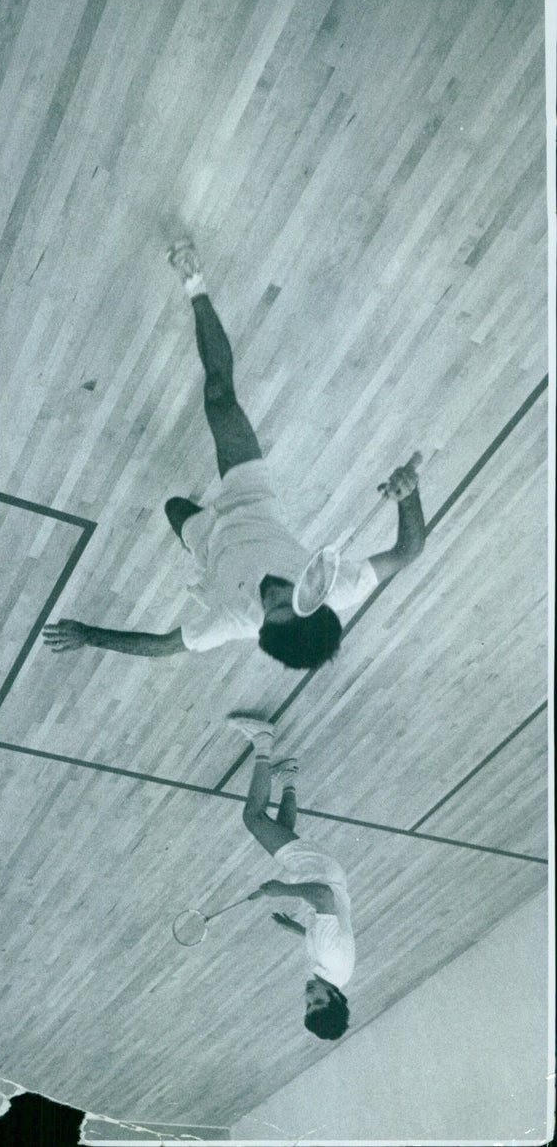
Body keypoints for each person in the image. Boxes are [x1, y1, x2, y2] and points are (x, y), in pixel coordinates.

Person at [43, 239, 425, 669]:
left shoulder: (231, 622)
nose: (274, 592)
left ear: (261, 629)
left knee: (174, 507)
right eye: (290, 598)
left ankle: (197, 531)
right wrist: (409, 493)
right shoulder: (337, 587)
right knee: (219, 397)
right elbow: (408, 550)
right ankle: (194, 282)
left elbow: (162, 647)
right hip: (255, 505)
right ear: (315, 603)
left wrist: (88, 636)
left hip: (214, 547)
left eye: (273, 607)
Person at [232, 712, 354, 1039]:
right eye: (316, 1002)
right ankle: (263, 740)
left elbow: (325, 935)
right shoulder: (330, 960)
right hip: (320, 876)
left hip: (324, 876)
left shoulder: (337, 975)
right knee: (254, 819)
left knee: (280, 834)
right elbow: (322, 898)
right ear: (334, 999)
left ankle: (288, 776)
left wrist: (296, 930)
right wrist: (280, 890)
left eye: (307, 1005)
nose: (308, 998)